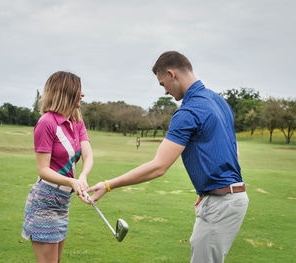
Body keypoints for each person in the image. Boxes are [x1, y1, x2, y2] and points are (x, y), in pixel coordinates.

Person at [88, 51, 248, 263]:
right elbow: (232, 152)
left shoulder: (188, 112)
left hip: (221, 203)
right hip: (233, 197)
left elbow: (159, 166)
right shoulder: (218, 102)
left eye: (163, 84)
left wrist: (108, 185)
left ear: (172, 74)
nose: (165, 90)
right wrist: (207, 188)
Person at [22, 71, 93, 263]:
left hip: (63, 202)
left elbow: (88, 155)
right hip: (45, 201)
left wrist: (83, 178)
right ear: (66, 92)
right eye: (79, 90)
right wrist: (72, 181)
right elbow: (43, 170)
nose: (83, 94)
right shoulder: (46, 123)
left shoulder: (76, 121)